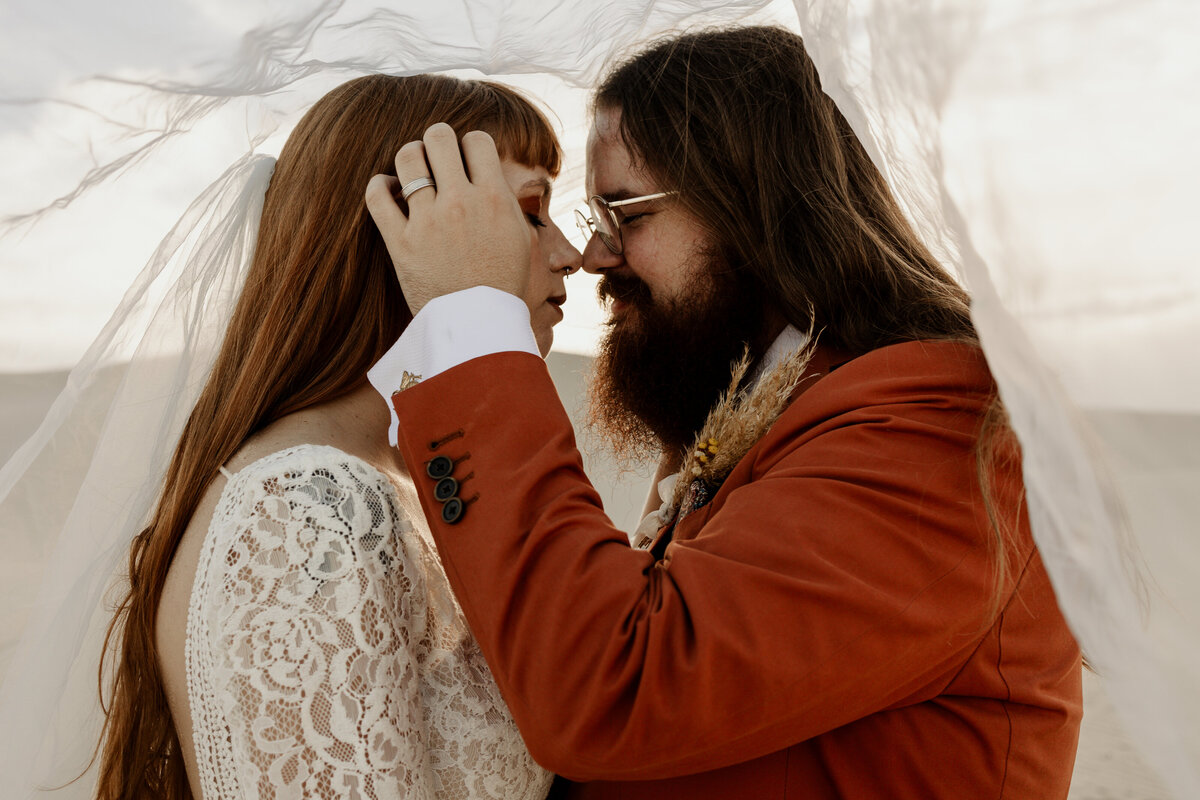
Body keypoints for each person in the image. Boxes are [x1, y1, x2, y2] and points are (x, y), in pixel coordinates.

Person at [364, 25, 1083, 799]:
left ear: (754, 209)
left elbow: (616, 684)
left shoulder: (937, 437)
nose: (596, 256)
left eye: (626, 216)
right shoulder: (768, 401)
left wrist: (471, 329)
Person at [92, 74, 579, 799]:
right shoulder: (305, 507)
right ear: (402, 231)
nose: (571, 253)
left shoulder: (394, 483)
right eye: (531, 212)